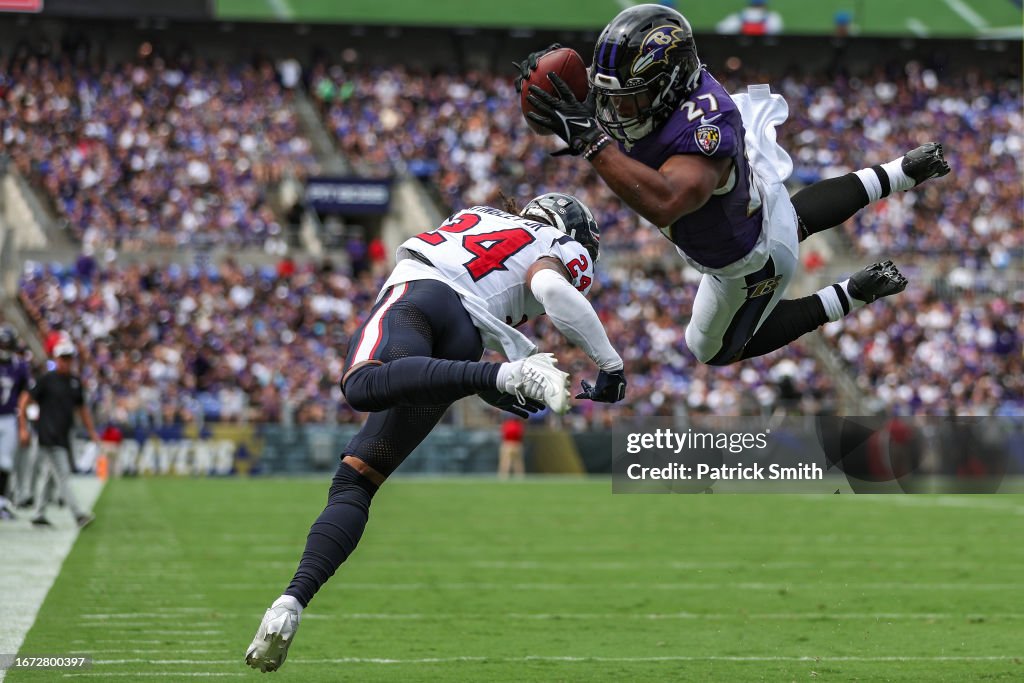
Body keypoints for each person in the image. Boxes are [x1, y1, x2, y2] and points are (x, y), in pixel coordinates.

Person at [245, 193, 627, 672]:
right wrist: (609, 365)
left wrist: (500, 378)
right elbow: (546, 285)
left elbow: (530, 283)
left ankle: (501, 375)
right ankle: (290, 603)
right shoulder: (553, 241)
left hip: (422, 300)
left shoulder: (478, 214)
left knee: (362, 383)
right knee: (357, 479)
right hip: (463, 342)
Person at [516, 4, 950, 366]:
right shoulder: (661, 88)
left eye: (629, 96)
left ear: (667, 86)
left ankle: (852, 293)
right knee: (791, 218)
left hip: (750, 262)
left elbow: (666, 201)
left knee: (710, 350)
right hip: (756, 206)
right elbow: (600, 100)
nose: (614, 107)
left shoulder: (703, 128)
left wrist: (592, 141)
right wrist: (550, 94)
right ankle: (905, 170)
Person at [17, 337, 99, 528]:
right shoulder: (47, 380)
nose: (66, 361)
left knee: (49, 474)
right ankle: (78, 514)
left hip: (64, 434)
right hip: (48, 434)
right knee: (62, 474)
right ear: (57, 358)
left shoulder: (74, 382)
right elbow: (25, 400)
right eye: (63, 358)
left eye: (69, 358)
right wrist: (23, 427)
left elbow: (82, 409)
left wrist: (91, 431)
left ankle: (39, 513)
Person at [0, 326, 30, 519]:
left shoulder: (20, 366)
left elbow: (25, 394)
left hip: (10, 417)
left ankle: (2, 502)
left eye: (6, 343)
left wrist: (22, 426)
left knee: (5, 463)